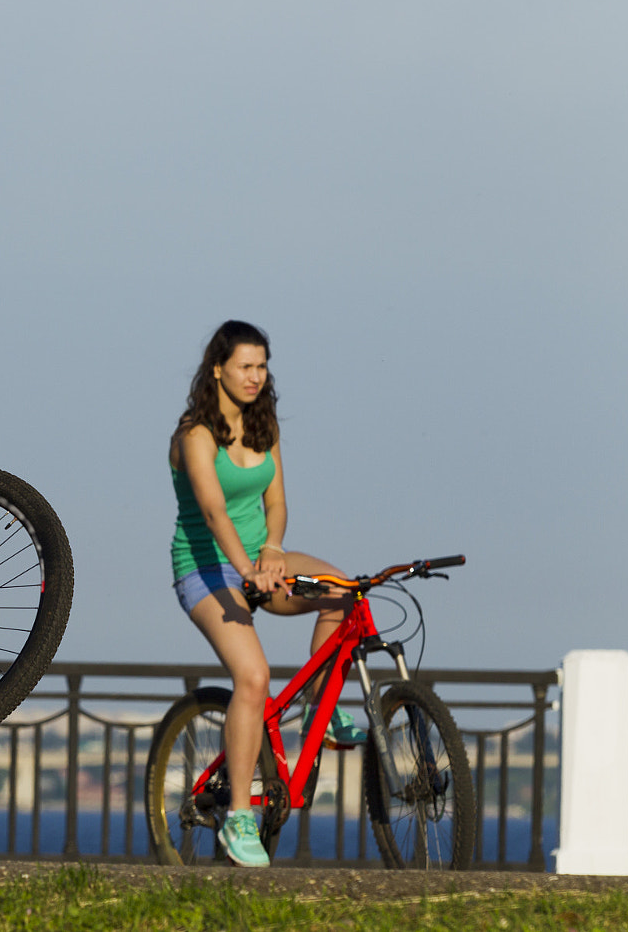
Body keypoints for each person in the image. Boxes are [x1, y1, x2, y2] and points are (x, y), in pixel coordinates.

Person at [167, 320, 364, 867]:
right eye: (246, 366)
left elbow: (276, 502)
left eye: (262, 367)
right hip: (206, 568)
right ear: (218, 369)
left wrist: (273, 548)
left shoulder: (263, 425)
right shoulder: (196, 434)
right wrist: (245, 571)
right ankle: (237, 818)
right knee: (253, 678)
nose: (256, 376)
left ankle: (319, 712)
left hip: (259, 559)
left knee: (342, 592)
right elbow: (211, 513)